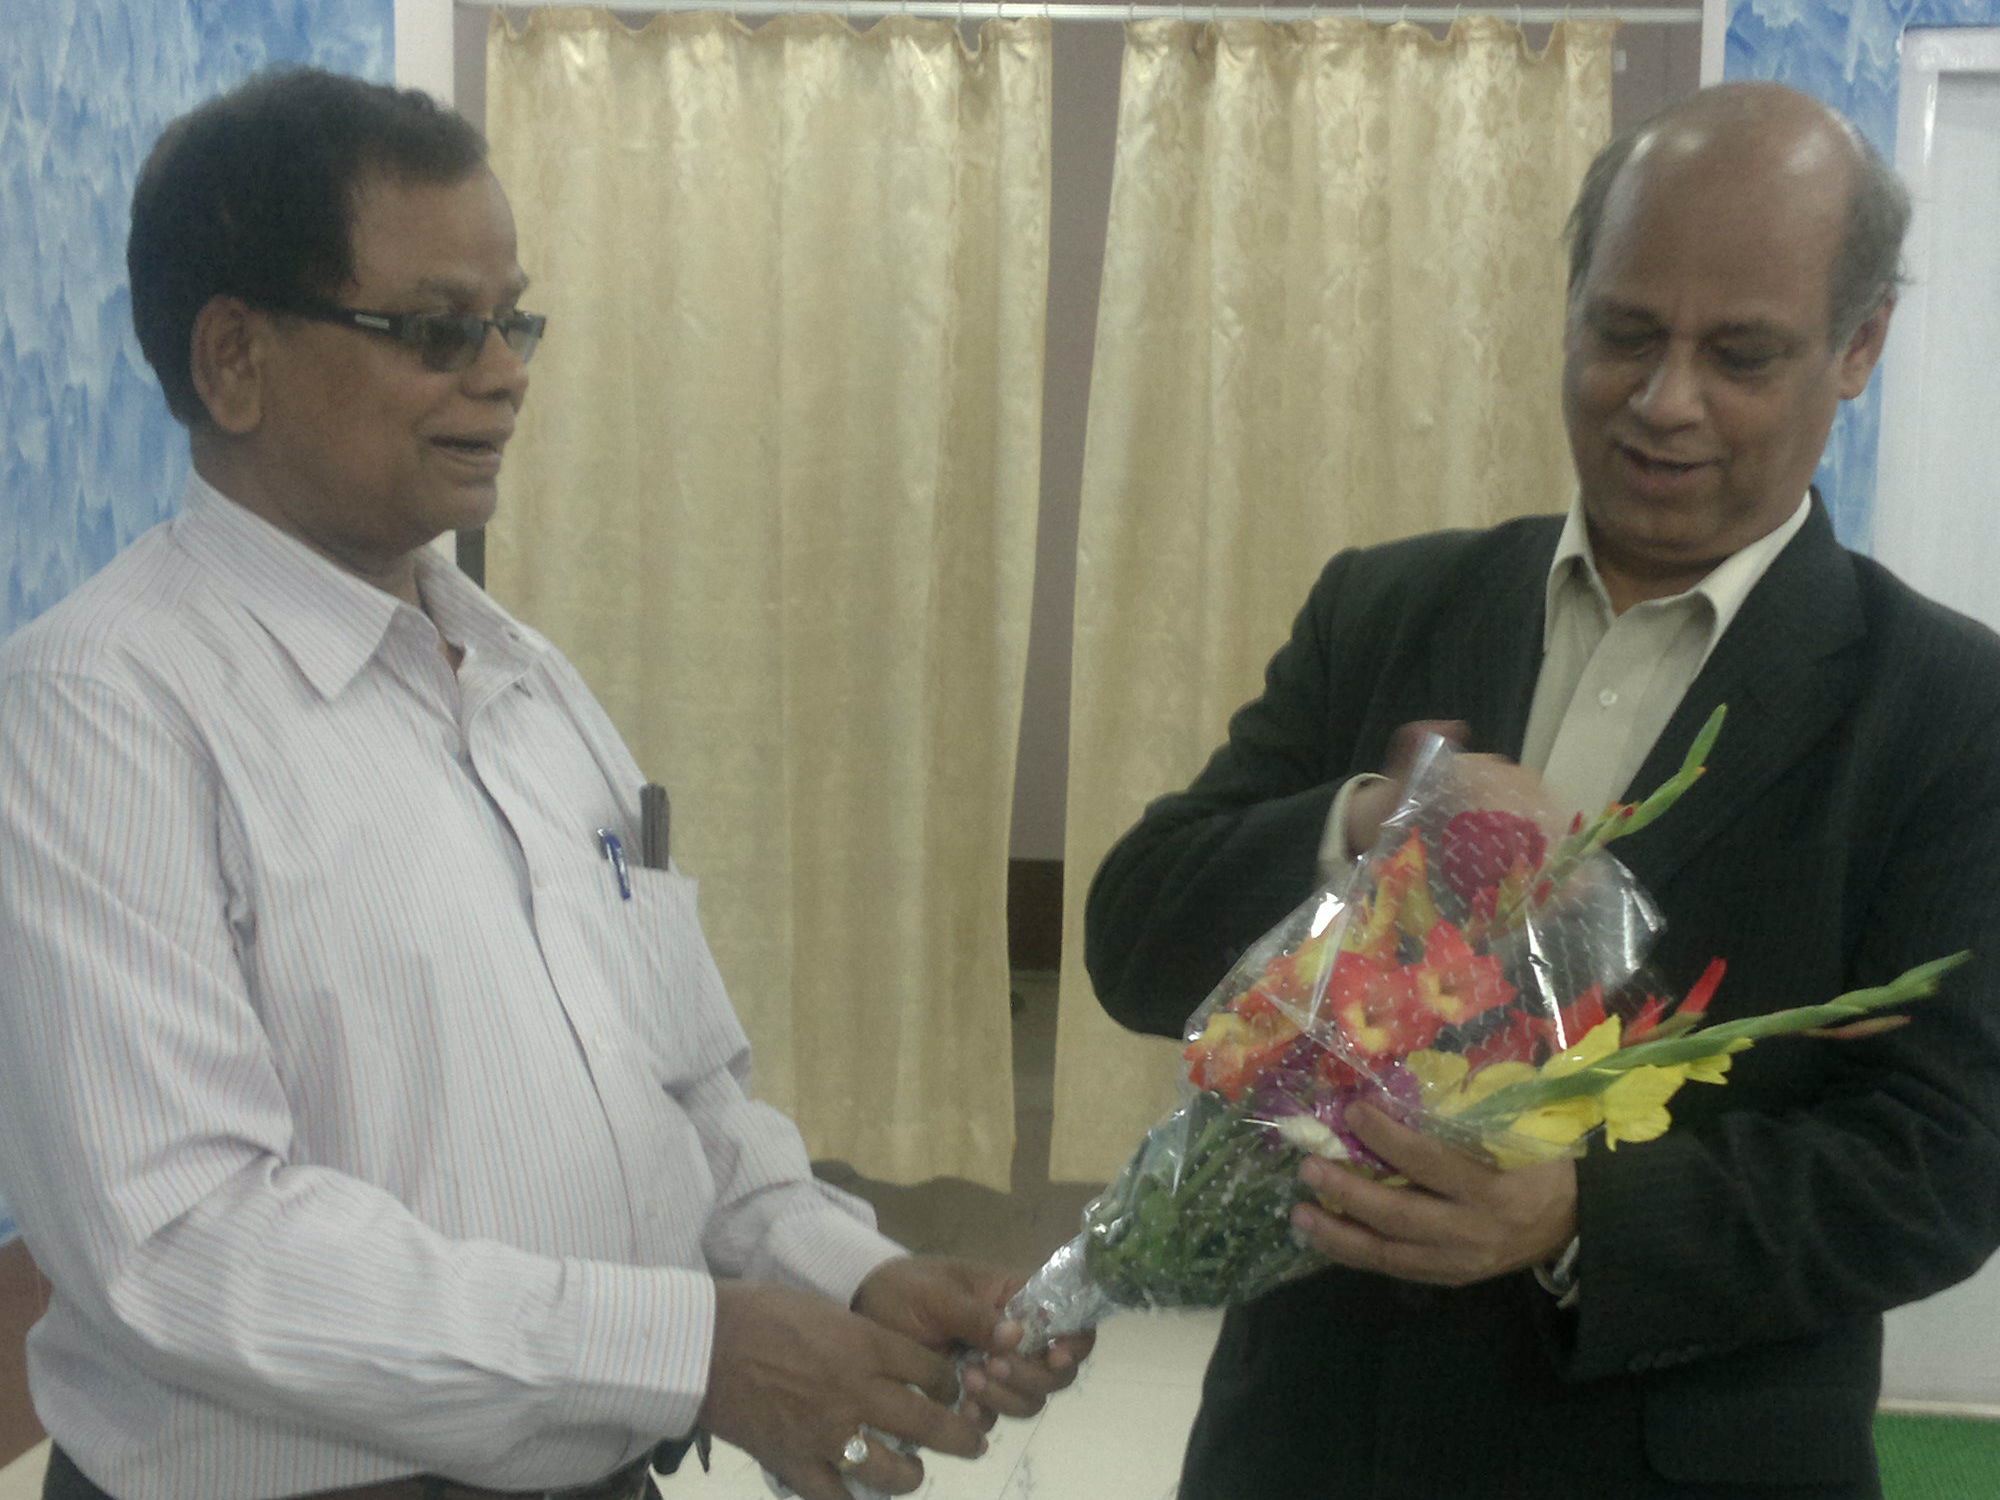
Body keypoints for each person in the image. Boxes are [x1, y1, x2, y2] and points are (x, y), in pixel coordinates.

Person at [0, 68, 1084, 1500]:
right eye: (441, 331)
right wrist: (692, 1350)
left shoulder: (525, 682)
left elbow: (680, 1092)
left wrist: (851, 1271)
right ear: (234, 360)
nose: (505, 372)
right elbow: (188, 1248)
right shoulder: (100, 708)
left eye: (515, 321)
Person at [1085, 81, 2000, 1500]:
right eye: (1624, 332)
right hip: (1314, 1447)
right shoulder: (1388, 609)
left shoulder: (1948, 711)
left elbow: (1945, 1160)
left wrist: (1584, 1217)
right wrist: (1357, 831)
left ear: (1859, 344)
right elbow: (1136, 944)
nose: (1665, 401)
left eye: (1741, 355)